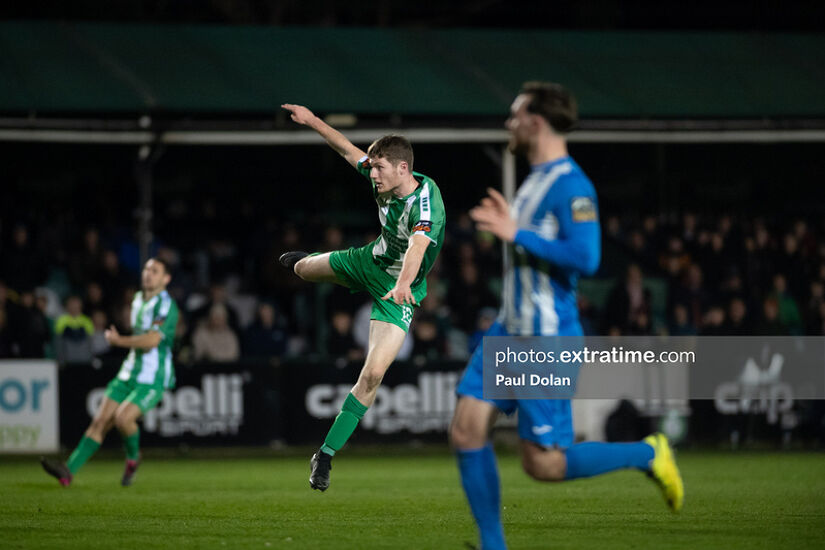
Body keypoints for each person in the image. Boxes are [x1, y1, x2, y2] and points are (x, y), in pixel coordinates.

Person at [449, 82, 684, 550]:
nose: (508, 123)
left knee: (543, 464)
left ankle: (648, 452)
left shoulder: (573, 185)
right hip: (509, 331)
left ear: (536, 121)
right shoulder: (533, 179)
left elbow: (586, 256)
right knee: (466, 429)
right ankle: (493, 546)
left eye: (515, 114)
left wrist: (516, 232)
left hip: (545, 339)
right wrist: (512, 227)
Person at [279, 103, 446, 491]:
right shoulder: (380, 176)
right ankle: (308, 263)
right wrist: (313, 121)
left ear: (403, 168)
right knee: (302, 270)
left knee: (371, 375)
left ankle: (325, 455)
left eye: (379, 168)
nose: (372, 173)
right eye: (371, 167)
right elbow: (345, 149)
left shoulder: (427, 205)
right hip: (368, 261)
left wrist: (404, 285)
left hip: (399, 290)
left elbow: (418, 248)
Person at [41, 258, 179, 487]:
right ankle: (67, 472)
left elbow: (152, 341)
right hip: (128, 371)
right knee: (100, 421)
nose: (148, 274)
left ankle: (133, 458)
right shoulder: (137, 300)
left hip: (152, 376)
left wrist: (119, 341)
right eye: (146, 269)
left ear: (166, 279)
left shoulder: (165, 305)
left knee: (123, 418)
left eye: (155, 271)